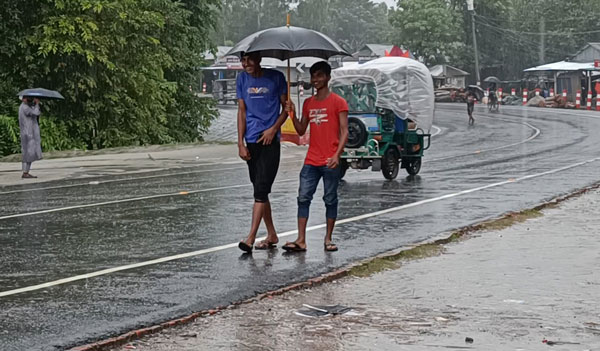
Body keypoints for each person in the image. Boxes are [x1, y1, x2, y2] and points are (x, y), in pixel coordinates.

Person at [282, 61, 349, 252]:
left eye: (319, 75)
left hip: (330, 159)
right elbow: (302, 129)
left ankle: (328, 239)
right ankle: (301, 239)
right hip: (311, 159)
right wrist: (292, 114)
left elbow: (344, 131)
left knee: (330, 198)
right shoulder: (309, 103)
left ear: (328, 77)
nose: (315, 80)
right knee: (303, 197)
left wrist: (338, 155)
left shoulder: (339, 102)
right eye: (313, 76)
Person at [236, 52, 288, 253]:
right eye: (243, 60)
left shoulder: (276, 78)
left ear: (259, 60)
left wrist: (274, 129)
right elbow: (241, 111)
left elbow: (286, 109)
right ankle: (272, 234)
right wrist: (240, 143)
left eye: (249, 59)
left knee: (261, 190)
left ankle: (250, 238)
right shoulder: (242, 79)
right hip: (252, 140)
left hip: (270, 140)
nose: (246, 63)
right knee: (260, 189)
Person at [18, 96, 42, 179]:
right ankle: (25, 172)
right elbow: (36, 113)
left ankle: (26, 171)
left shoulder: (25, 106)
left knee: (27, 153)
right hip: (28, 133)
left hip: (27, 132)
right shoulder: (25, 107)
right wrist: (37, 104)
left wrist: (34, 104)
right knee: (29, 153)